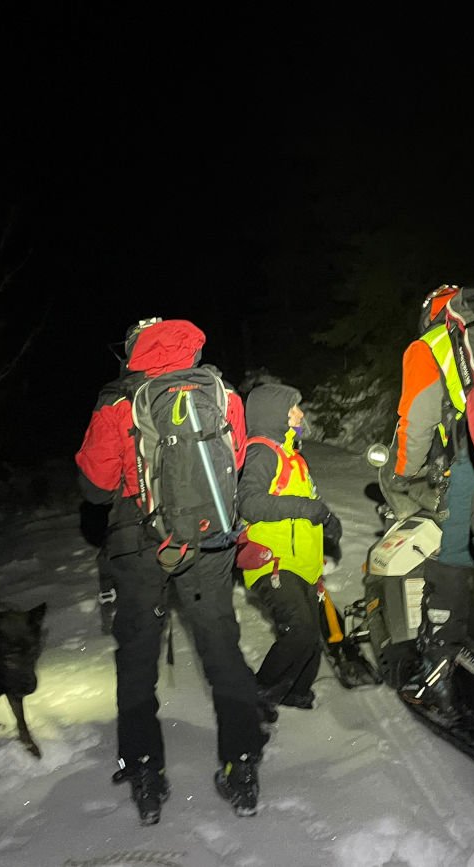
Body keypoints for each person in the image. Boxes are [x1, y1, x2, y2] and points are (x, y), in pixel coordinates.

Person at [75, 318, 266, 824]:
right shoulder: (221, 393)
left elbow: (95, 486)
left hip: (139, 544)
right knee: (221, 647)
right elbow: (238, 458)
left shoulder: (119, 400)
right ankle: (242, 764)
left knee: (137, 655)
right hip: (208, 541)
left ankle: (143, 772)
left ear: (133, 349)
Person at [390, 285, 474, 722]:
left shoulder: (430, 345)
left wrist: (405, 470)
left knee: (452, 557)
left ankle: (437, 672)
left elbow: (417, 420)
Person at [235, 384, 342, 723]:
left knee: (310, 636)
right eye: (293, 409)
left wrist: (326, 521)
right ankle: (259, 692)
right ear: (274, 414)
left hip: (303, 564)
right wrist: (309, 509)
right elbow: (248, 501)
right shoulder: (261, 452)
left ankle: (295, 691)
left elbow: (306, 507)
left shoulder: (292, 456)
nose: (300, 414)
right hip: (274, 561)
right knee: (299, 629)